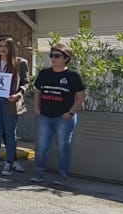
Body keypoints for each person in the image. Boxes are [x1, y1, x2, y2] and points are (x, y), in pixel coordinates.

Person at [31, 42, 86, 187]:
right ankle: (39, 173)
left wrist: (71, 112)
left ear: (66, 58)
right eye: (51, 55)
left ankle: (62, 175)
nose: (53, 59)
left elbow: (81, 96)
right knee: (42, 145)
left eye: (57, 56)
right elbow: (38, 92)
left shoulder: (72, 76)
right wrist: (37, 108)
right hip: (45, 116)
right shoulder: (44, 74)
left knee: (63, 146)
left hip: (64, 118)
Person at [0, 36, 32, 175]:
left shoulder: (20, 63)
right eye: (1, 46)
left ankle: (9, 162)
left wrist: (19, 94)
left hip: (10, 102)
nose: (2, 49)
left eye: (5, 46)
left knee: (10, 133)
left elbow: (26, 82)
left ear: (11, 48)